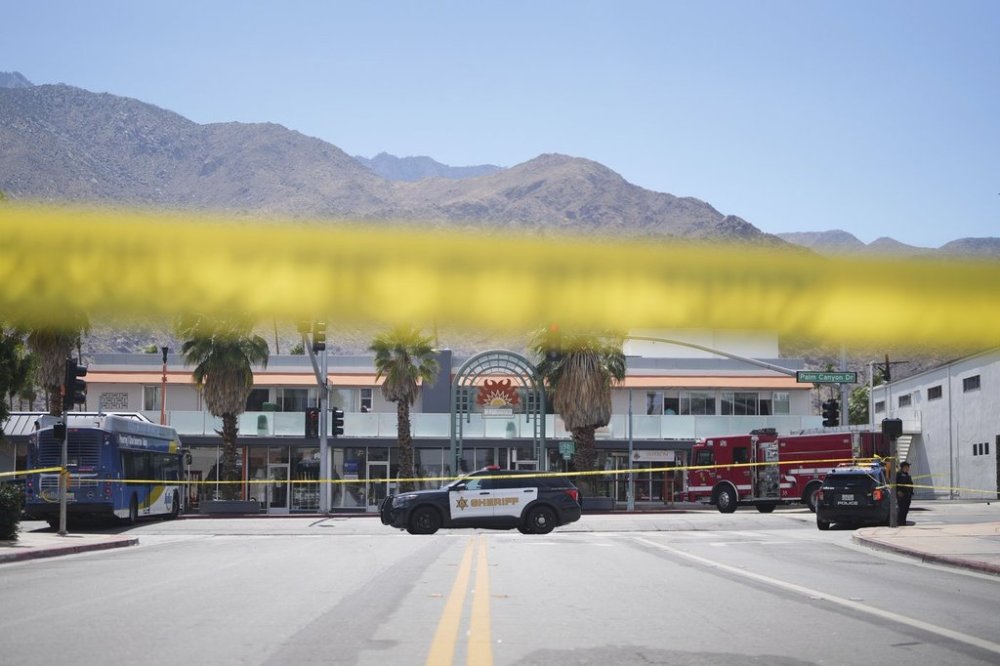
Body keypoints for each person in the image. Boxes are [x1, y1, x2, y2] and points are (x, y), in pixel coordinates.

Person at [896, 461, 914, 525]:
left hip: (908, 495)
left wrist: (911, 493)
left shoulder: (907, 475)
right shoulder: (898, 474)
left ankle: (903, 521)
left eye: (908, 467)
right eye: (906, 467)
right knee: (901, 509)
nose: (908, 468)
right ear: (902, 467)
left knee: (906, 509)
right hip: (901, 495)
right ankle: (900, 522)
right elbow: (895, 484)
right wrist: (898, 492)